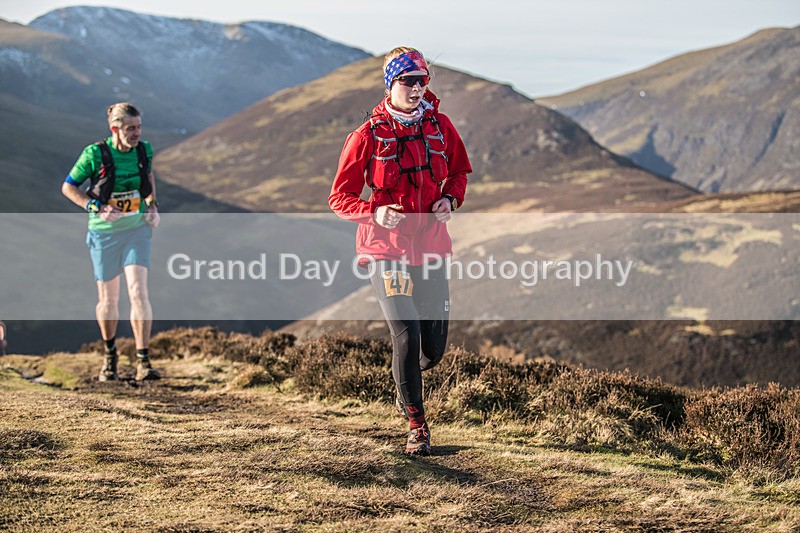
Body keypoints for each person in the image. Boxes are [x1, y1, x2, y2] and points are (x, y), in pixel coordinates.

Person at [329, 47, 472, 455]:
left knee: (434, 349)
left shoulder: (441, 126)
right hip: (385, 250)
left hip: (430, 248)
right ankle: (417, 425)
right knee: (406, 337)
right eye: (407, 80)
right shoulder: (367, 135)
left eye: (422, 80)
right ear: (390, 83)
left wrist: (451, 200)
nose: (416, 88)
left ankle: (404, 383)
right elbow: (340, 198)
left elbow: (459, 172)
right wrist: (375, 212)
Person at [61, 102, 161, 382]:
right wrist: (96, 208)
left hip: (137, 230)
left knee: (138, 291)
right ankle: (110, 357)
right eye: (131, 128)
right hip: (104, 234)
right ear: (114, 129)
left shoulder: (144, 150)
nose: (137, 133)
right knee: (109, 298)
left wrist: (152, 206)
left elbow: (148, 177)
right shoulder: (94, 154)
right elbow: (69, 187)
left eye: (139, 127)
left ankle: (143, 361)